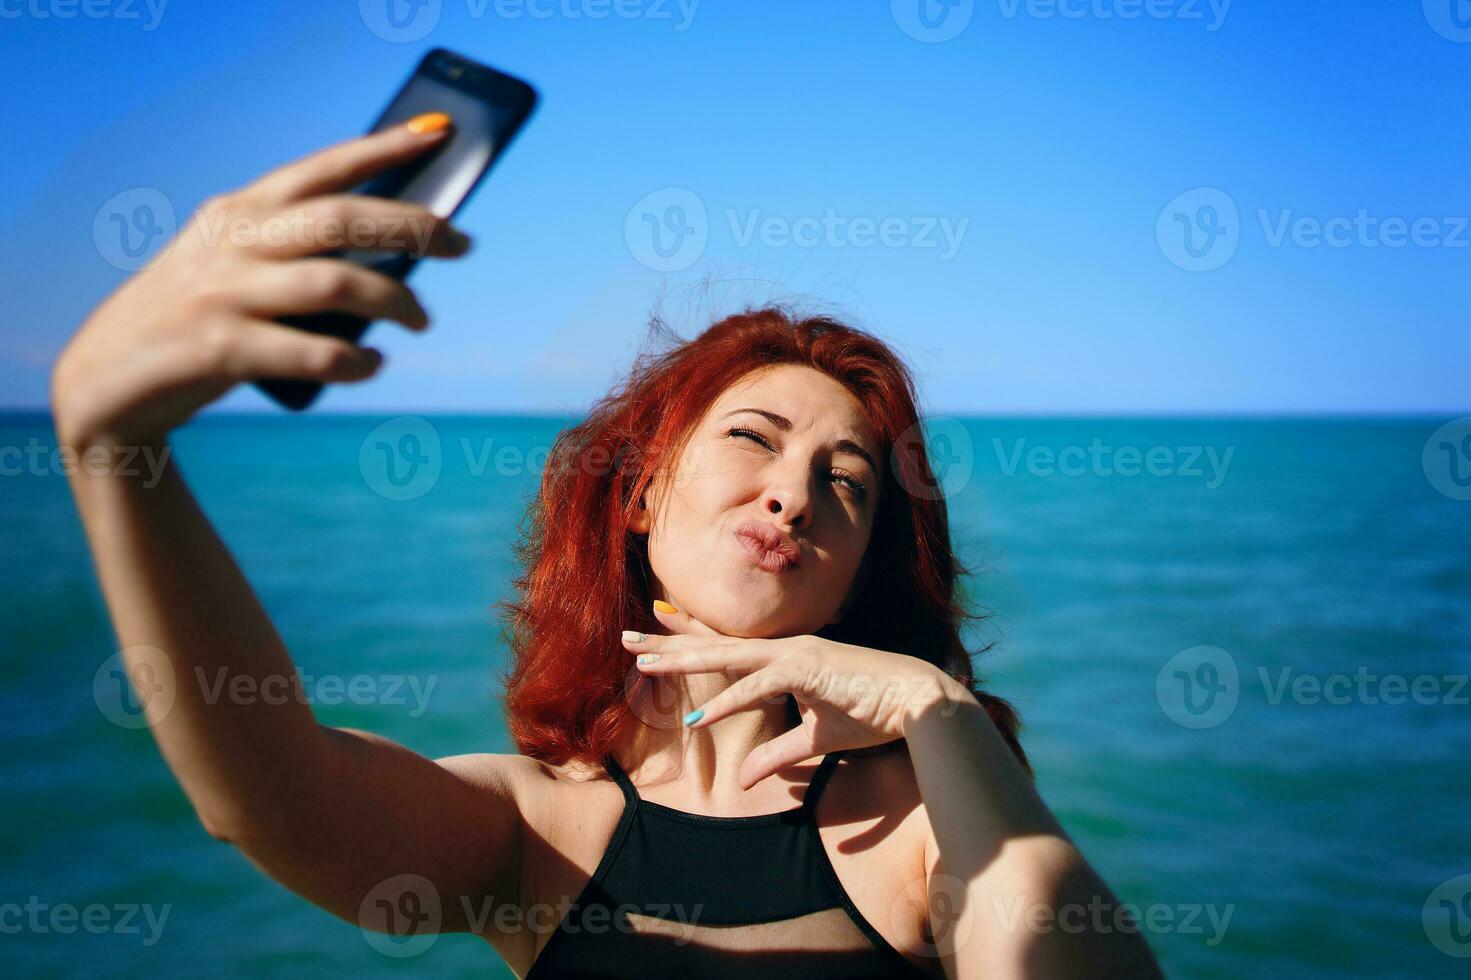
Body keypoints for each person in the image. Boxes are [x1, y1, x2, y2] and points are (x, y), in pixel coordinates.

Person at [52, 112, 1165, 979]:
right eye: (752, 438)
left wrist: (937, 712)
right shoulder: (539, 821)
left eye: (846, 482)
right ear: (637, 494)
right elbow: (265, 793)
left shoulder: (922, 820)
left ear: (864, 562)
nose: (793, 495)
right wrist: (115, 449)